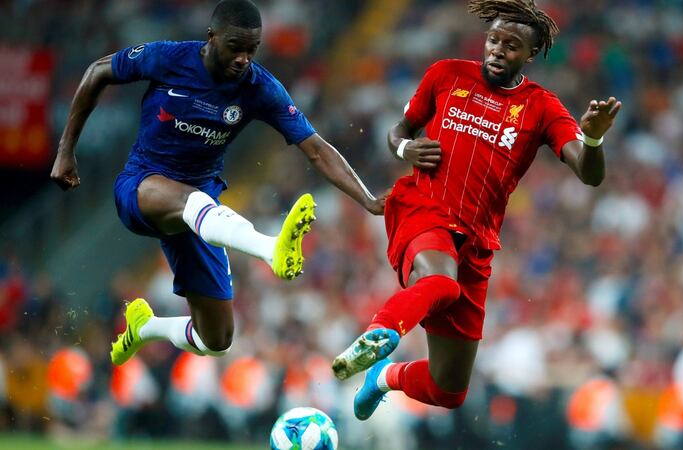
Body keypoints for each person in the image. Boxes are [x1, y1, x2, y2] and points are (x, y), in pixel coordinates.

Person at [332, 0, 622, 420]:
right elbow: (399, 132)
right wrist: (405, 148)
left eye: (511, 45)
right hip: (423, 210)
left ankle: (382, 376)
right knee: (441, 283)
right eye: (494, 40)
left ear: (530, 54)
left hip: (475, 242)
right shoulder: (446, 75)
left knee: (447, 389)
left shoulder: (541, 107)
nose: (498, 50)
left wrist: (593, 140)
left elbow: (589, 174)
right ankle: (379, 333)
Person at [50, 0, 384, 365]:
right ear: (211, 37)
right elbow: (98, 71)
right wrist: (66, 151)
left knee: (216, 339)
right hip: (142, 187)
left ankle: (146, 327)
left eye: (252, 50)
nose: (244, 59)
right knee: (194, 201)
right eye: (235, 47)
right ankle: (270, 249)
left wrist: (367, 199)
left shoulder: (260, 88)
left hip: (200, 212)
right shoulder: (169, 58)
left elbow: (316, 149)